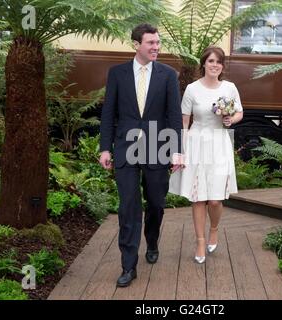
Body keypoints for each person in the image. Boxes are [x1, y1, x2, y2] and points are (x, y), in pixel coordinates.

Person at [99, 23, 183, 287]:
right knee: (128, 206)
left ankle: (153, 239)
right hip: (125, 147)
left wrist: (177, 150)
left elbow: (173, 116)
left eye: (158, 43)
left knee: (156, 202)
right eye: (151, 43)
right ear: (136, 44)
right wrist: (104, 147)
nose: (156, 47)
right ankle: (128, 265)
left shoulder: (168, 75)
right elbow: (108, 113)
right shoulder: (117, 73)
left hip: (157, 145)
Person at [169, 46, 243, 264]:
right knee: (198, 197)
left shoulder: (230, 88)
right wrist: (180, 151)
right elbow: (183, 122)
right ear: (204, 64)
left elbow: (239, 111)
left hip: (220, 143)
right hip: (196, 142)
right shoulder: (192, 89)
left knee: (214, 199)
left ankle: (214, 228)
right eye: (210, 61)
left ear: (222, 66)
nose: (214, 65)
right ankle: (200, 240)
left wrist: (232, 120)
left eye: (218, 62)